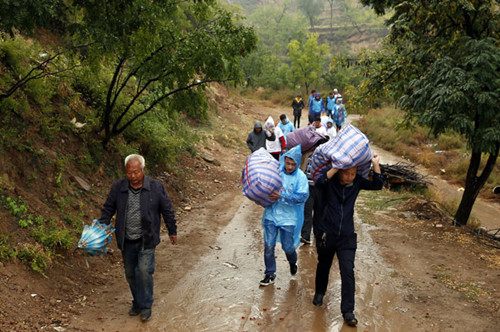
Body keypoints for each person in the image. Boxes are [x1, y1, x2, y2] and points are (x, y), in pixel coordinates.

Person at [99, 154, 178, 322]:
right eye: (129, 173)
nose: (133, 176)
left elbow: (167, 209)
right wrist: (101, 225)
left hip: (146, 238)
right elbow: (108, 208)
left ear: (143, 170)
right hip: (126, 239)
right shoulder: (118, 187)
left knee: (143, 271)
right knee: (130, 273)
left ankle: (146, 305)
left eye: (136, 172)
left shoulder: (156, 187)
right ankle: (137, 301)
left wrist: (172, 230)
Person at [312, 155, 384, 327]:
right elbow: (319, 183)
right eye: (347, 174)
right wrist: (336, 167)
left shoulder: (357, 182)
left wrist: (375, 165)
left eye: (352, 174)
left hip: (346, 236)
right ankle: (320, 292)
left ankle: (348, 311)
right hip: (327, 233)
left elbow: (377, 185)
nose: (350, 177)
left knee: (348, 271)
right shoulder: (330, 182)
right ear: (340, 173)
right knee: (324, 264)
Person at [259, 145, 309, 286]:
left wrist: (281, 196)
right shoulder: (276, 172)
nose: (290, 166)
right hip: (271, 214)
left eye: (293, 164)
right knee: (269, 246)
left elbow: (301, 197)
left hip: (289, 218)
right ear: (283, 160)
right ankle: (269, 274)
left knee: (288, 247)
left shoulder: (301, 177)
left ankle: (292, 262)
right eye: (287, 163)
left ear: (297, 164)